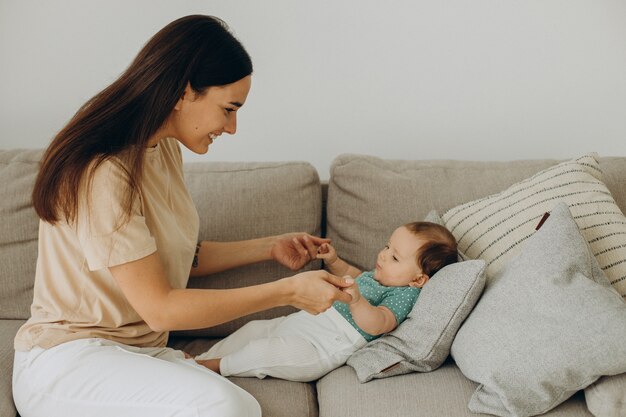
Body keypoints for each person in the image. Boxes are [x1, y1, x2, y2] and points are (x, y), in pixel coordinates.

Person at [12, 15, 355, 417]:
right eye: (228, 109)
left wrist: (269, 248)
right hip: (69, 360)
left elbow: (177, 257)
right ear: (183, 92)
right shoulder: (104, 173)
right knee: (224, 407)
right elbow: (161, 307)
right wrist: (288, 291)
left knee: (243, 407)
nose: (232, 127)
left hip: (136, 353)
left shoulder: (163, 150)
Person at [194, 221, 458, 382]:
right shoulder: (381, 277)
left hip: (319, 347)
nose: (384, 255)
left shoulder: (404, 294)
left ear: (419, 280)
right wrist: (334, 261)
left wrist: (356, 302)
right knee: (254, 330)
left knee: (264, 353)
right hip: (303, 323)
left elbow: (379, 323)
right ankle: (200, 359)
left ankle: (216, 367)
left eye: (395, 257)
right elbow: (354, 277)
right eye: (387, 246)